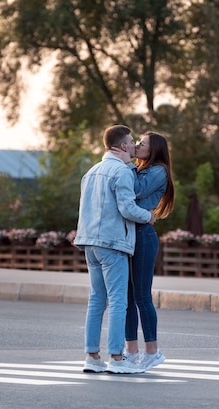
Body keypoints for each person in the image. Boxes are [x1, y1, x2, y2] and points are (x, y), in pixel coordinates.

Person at [74, 124, 155, 374]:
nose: (134, 146)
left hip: (90, 243)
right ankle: (117, 358)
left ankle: (92, 356)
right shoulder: (121, 173)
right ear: (122, 146)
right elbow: (127, 209)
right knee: (119, 301)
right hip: (113, 244)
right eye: (131, 142)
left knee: (96, 300)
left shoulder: (91, 171)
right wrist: (148, 216)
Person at [113, 131, 175, 371]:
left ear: (155, 149)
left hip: (144, 236)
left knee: (141, 296)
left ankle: (152, 352)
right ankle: (132, 352)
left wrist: (126, 163)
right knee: (126, 298)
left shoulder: (158, 171)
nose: (136, 146)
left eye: (142, 144)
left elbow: (135, 191)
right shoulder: (138, 168)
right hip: (128, 234)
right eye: (136, 142)